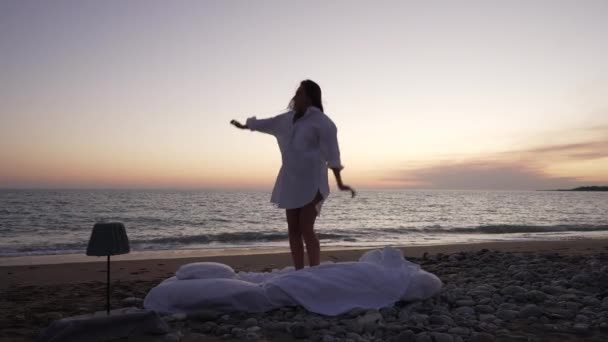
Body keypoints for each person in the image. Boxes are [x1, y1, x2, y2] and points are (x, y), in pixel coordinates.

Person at [231, 80, 355, 270]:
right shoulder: (287, 119)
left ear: (310, 96)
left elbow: (333, 154)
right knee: (293, 230)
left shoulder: (322, 122)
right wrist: (245, 126)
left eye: (300, 93)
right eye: (296, 92)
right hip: (291, 181)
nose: (295, 96)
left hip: (313, 181)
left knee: (306, 228)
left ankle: (315, 271)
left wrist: (340, 183)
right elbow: (268, 123)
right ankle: (299, 272)